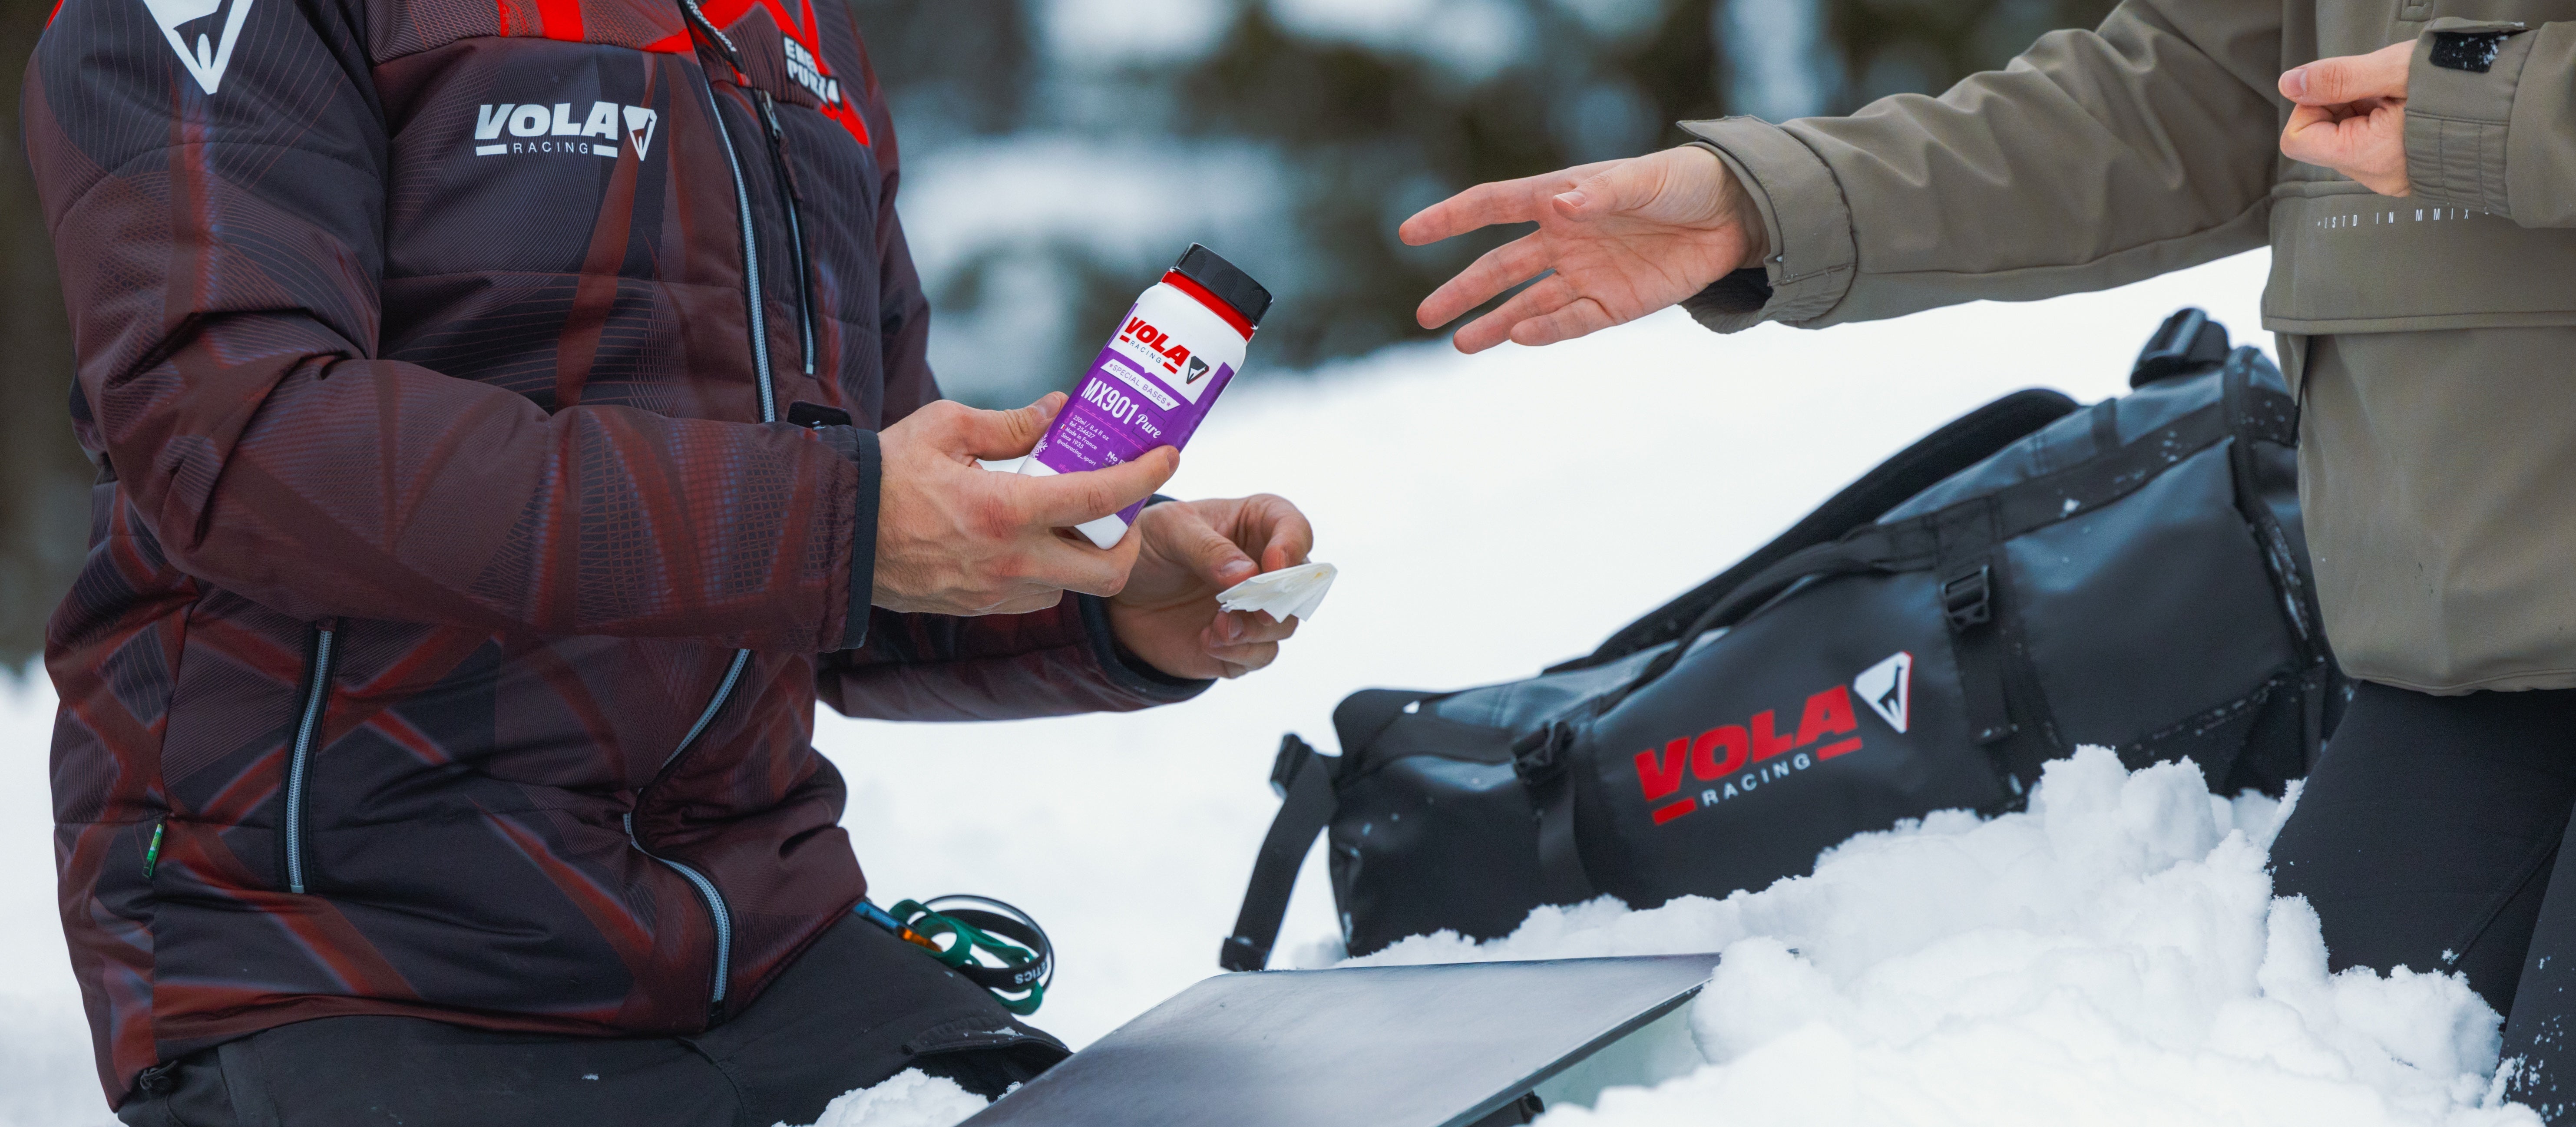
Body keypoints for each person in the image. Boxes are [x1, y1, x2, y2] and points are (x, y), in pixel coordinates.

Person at [22, 0, 1313, 1122]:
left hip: (763, 941)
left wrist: (1108, 596)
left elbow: (861, 546)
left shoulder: (794, 30)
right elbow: (240, 446)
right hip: (339, 952)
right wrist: (843, 521)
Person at [1405, 3, 2576, 1117]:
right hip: (2471, 634)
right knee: (2297, 1071)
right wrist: (1773, 205)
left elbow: (2463, 97)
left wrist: (2503, 110)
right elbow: (2184, 95)